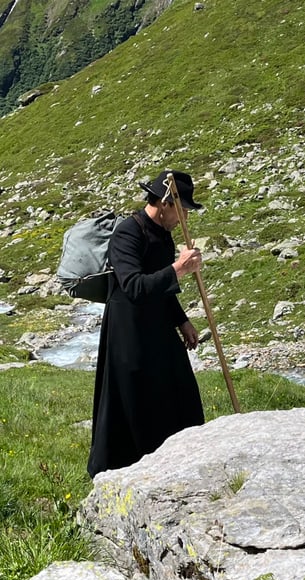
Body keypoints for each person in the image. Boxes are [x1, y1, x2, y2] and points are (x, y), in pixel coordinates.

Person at [87, 170, 206, 478]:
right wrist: (178, 268)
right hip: (129, 331)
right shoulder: (128, 232)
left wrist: (182, 321)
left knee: (181, 393)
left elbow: (162, 288)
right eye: (181, 211)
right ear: (165, 203)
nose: (182, 219)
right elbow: (135, 286)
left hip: (158, 327)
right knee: (134, 399)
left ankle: (180, 460)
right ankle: (124, 469)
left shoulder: (163, 235)